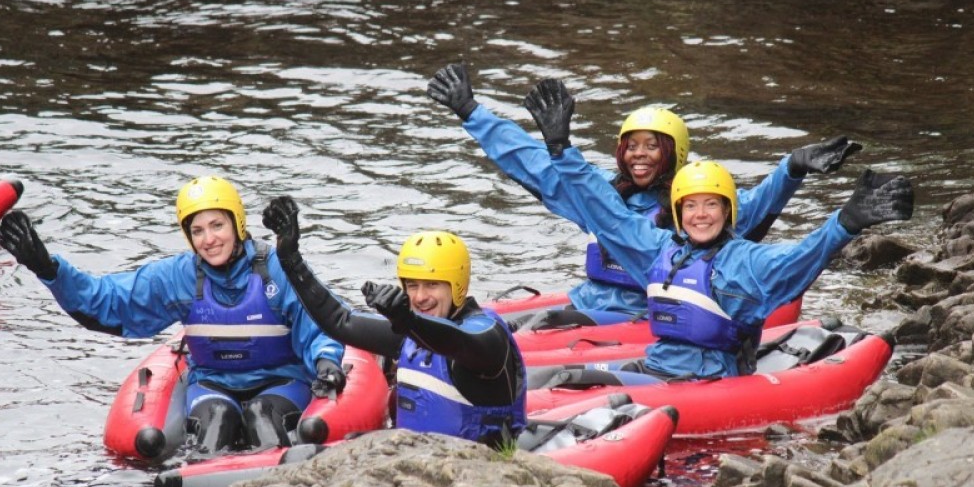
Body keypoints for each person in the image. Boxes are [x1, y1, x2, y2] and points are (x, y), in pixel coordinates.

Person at [515, 78, 913, 379]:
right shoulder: (659, 249)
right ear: (678, 210)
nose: (700, 215)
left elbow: (801, 257)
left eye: (711, 206)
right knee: (558, 378)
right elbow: (605, 212)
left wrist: (845, 222)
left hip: (705, 380)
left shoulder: (745, 263)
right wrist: (561, 149)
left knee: (572, 376)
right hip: (658, 367)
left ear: (728, 213)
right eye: (690, 206)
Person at [427, 63, 861, 324]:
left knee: (543, 323)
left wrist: (793, 167)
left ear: (673, 153)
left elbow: (756, 205)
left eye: (651, 145)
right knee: (514, 318)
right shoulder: (603, 193)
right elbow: (532, 161)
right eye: (631, 145)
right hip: (592, 299)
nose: (639, 155)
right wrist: (471, 111)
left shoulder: (696, 206)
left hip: (642, 312)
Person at [0, 176, 346, 455]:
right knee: (216, 422)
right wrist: (46, 267)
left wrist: (326, 362)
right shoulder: (178, 276)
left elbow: (316, 321)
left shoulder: (276, 268)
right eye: (197, 231)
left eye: (217, 225)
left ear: (237, 224)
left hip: (280, 382)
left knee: (261, 418)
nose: (209, 239)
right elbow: (107, 302)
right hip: (213, 385)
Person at [261, 195, 526, 448]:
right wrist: (290, 260)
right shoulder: (410, 330)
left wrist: (408, 320)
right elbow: (341, 321)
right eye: (412, 285)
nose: (420, 296)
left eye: (432, 285)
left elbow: (456, 341)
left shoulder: (488, 339)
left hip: (471, 471)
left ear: (457, 286)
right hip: (413, 459)